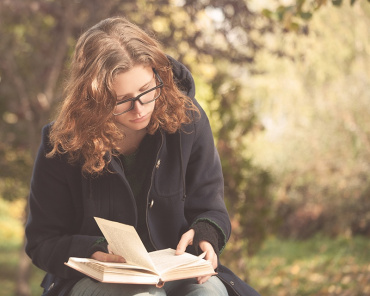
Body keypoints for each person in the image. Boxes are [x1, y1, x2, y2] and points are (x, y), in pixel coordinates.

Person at [25, 16, 260, 296]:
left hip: (178, 271)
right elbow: (43, 241)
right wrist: (94, 251)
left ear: (158, 74)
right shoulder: (62, 144)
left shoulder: (189, 120)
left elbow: (210, 207)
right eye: (122, 100)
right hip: (99, 281)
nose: (139, 109)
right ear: (93, 99)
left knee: (209, 293)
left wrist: (206, 236)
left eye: (147, 91)